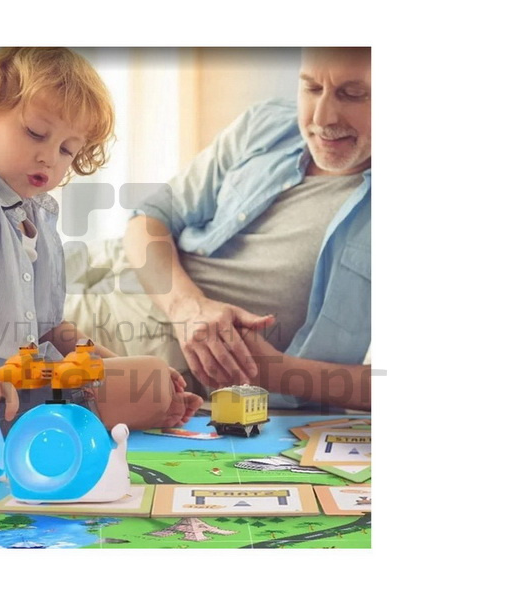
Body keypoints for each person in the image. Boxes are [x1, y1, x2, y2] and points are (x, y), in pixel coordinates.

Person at [0, 48, 202, 459]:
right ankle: (121, 409)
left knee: (147, 377)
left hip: (14, 390)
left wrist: (118, 366)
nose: (49, 157)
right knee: (148, 384)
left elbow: (49, 329)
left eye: (67, 150)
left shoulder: (37, 213)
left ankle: (135, 402)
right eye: (35, 133)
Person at [65, 47, 371, 412]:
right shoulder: (267, 124)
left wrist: (276, 373)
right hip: (90, 279)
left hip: (141, 368)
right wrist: (187, 307)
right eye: (311, 88)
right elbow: (149, 216)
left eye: (353, 94)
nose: (321, 117)